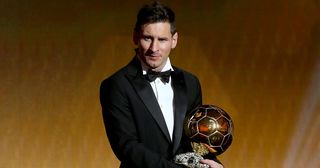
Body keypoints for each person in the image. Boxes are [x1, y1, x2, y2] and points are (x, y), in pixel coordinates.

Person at [100, 1, 224, 168]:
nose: (154, 48)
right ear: (135, 37)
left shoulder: (190, 82)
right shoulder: (116, 85)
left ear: (174, 40)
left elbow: (196, 141)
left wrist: (214, 165)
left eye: (162, 39)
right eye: (147, 38)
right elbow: (127, 147)